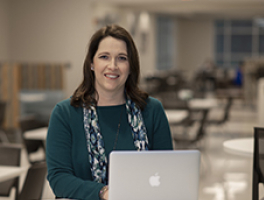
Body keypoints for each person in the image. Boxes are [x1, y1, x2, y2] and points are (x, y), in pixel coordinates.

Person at [46, 24, 173, 200]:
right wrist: (105, 193)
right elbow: (58, 178)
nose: (112, 66)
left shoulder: (151, 110)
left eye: (122, 58)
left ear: (131, 66)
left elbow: (167, 172)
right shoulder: (65, 113)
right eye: (104, 57)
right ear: (92, 63)